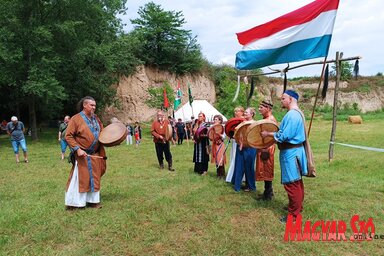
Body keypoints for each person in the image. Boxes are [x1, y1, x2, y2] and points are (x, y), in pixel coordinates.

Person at [261, 90, 308, 223]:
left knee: (292, 184)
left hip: (291, 153)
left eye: (283, 98)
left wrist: (268, 134)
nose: (281, 101)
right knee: (296, 182)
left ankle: (293, 215)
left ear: (291, 99)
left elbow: (284, 136)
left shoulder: (293, 115)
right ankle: (297, 207)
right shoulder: (295, 113)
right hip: (293, 152)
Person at [64, 96, 107, 210]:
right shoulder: (76, 119)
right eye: (91, 105)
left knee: (95, 178)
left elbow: (102, 132)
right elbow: (68, 136)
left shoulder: (96, 118)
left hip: (95, 154)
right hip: (82, 155)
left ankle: (93, 202)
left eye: (95, 105)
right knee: (81, 179)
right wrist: (77, 149)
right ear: (84, 105)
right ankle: (75, 204)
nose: (94, 107)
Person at [256, 101, 278, 200]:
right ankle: (268, 191)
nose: (259, 109)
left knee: (267, 169)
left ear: (268, 108)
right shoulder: (266, 119)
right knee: (264, 169)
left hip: (268, 148)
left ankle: (268, 194)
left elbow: (274, 134)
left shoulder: (271, 120)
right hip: (264, 147)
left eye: (261, 107)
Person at [233, 108, 257, 192]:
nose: (245, 113)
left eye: (246, 112)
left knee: (249, 167)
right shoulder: (242, 123)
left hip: (251, 147)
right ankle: (237, 186)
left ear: (252, 114)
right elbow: (236, 133)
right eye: (245, 112)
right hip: (241, 146)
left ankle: (251, 186)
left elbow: (256, 136)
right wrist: (240, 141)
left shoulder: (255, 123)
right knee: (239, 165)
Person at [225, 106, 244, 183]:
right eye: (235, 111)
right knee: (233, 157)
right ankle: (232, 175)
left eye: (237, 111)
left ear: (242, 112)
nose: (236, 113)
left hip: (241, 141)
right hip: (234, 141)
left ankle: (241, 177)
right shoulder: (234, 121)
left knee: (239, 158)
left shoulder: (244, 121)